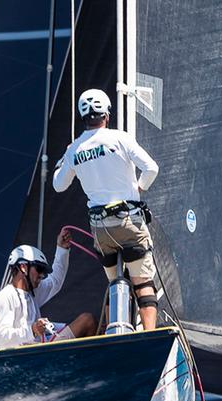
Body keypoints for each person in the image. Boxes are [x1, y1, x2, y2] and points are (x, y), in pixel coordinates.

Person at [52, 88, 160, 331]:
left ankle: (114, 334)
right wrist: (139, 189)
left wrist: (65, 157)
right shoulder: (120, 138)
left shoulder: (75, 149)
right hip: (129, 222)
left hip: (102, 230)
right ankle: (149, 335)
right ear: (107, 115)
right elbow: (151, 168)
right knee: (143, 283)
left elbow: (59, 186)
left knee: (115, 283)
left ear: (83, 117)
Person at [0, 229, 96, 349]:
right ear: (23, 267)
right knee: (87, 320)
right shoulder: (5, 297)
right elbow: (0, 338)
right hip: (27, 356)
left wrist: (62, 248)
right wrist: (32, 330)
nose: (42, 275)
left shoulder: (33, 291)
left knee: (90, 322)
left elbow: (55, 281)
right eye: (39, 269)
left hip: (42, 349)